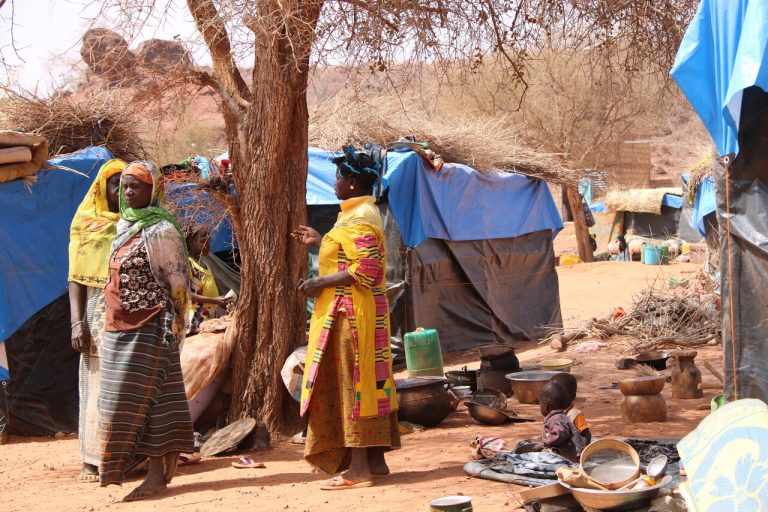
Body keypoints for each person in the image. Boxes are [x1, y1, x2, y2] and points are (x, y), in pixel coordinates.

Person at [292, 147, 399, 490]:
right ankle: (376, 461)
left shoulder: (361, 216)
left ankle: (358, 470)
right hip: (356, 312)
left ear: (352, 183)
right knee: (368, 382)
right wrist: (319, 242)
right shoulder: (355, 215)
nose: (335, 183)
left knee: (354, 385)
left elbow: (365, 270)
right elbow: (351, 256)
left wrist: (318, 282)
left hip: (353, 316)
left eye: (339, 177)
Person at [100, 160, 194, 501]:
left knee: (154, 403)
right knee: (118, 402)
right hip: (118, 327)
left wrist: (176, 325)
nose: (128, 192)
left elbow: (178, 283)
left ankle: (157, 476)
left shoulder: (161, 230)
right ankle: (131, 469)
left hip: (152, 328)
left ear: (153, 190)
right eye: (125, 186)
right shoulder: (123, 226)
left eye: (136, 186)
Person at [68, 158, 126, 483]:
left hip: (131, 311)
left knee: (128, 382)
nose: (121, 190)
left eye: (126, 183)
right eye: (114, 184)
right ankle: (91, 459)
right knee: (96, 382)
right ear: (102, 189)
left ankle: (126, 456)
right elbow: (75, 277)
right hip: (95, 310)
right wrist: (77, 323)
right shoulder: (86, 223)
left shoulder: (139, 222)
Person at [185, 223, 231, 335]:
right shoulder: (188, 265)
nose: (207, 245)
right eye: (203, 242)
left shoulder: (204, 264)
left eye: (209, 242)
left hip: (209, 317)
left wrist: (221, 302)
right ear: (191, 242)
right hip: (196, 319)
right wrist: (215, 300)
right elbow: (187, 294)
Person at [533, 381, 585, 462]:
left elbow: (560, 434)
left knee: (542, 455)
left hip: (570, 456)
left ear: (545, 405)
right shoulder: (560, 416)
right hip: (571, 453)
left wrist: (545, 443)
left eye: (540, 405)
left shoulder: (556, 419)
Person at [550, 372, 592, 445]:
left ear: (572, 396)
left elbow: (586, 435)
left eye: (560, 395)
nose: (555, 397)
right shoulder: (552, 412)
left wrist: (581, 451)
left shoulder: (574, 415)